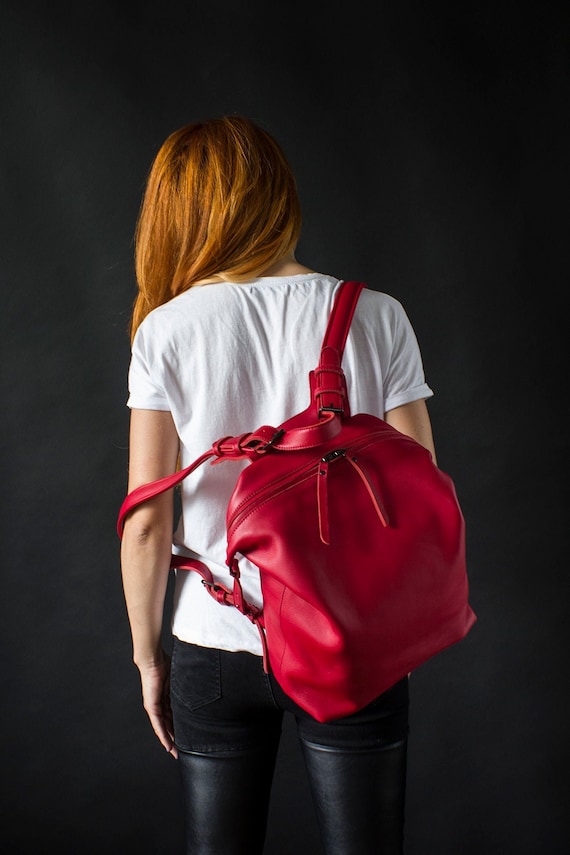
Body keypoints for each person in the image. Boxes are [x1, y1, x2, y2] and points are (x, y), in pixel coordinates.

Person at [119, 115, 437, 855]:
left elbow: (146, 520)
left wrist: (148, 657)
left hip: (211, 642)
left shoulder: (165, 330)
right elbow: (420, 484)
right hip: (350, 639)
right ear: (278, 197)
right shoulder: (378, 314)